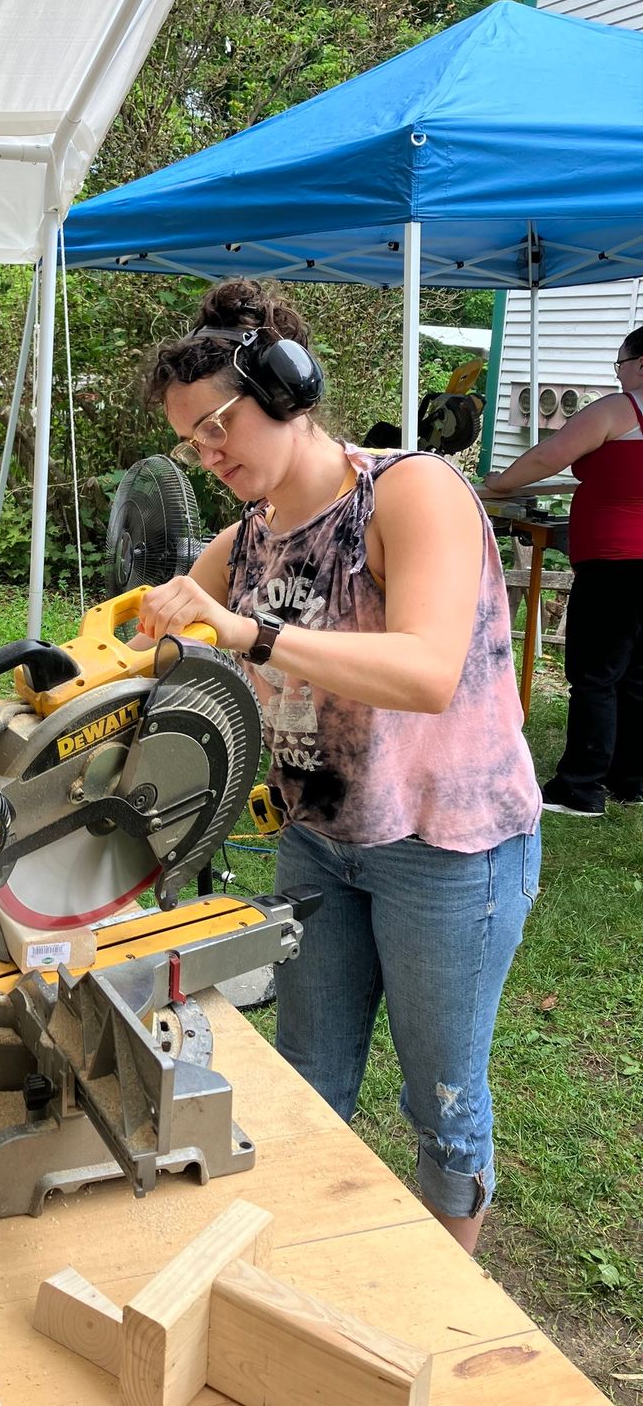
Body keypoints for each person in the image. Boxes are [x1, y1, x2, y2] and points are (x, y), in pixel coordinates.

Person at [136, 278, 541, 1255]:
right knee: (308, 1076)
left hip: (449, 845)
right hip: (321, 841)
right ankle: (317, 1277)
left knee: (441, 1097)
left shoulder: (412, 493)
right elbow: (164, 640)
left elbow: (429, 670)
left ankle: (443, 1311)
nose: (211, 450)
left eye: (222, 421)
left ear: (288, 388)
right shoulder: (253, 532)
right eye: (192, 439)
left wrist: (247, 630)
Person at [480, 324, 643, 816]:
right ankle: (630, 781)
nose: (618, 374)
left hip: (616, 563)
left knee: (595, 674)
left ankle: (581, 788)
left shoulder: (621, 409)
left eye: (621, 363)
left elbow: (550, 455)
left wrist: (502, 481)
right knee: (636, 676)